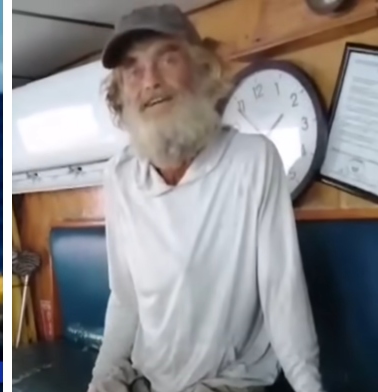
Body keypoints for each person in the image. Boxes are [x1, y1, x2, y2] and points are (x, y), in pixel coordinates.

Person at [89, 4, 324, 392]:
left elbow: (281, 291)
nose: (150, 81)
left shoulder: (252, 160)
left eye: (167, 58)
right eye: (133, 69)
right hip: (147, 379)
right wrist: (101, 379)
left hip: (226, 383)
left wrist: (308, 386)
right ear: (120, 93)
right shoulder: (119, 176)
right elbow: (126, 297)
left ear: (202, 70)